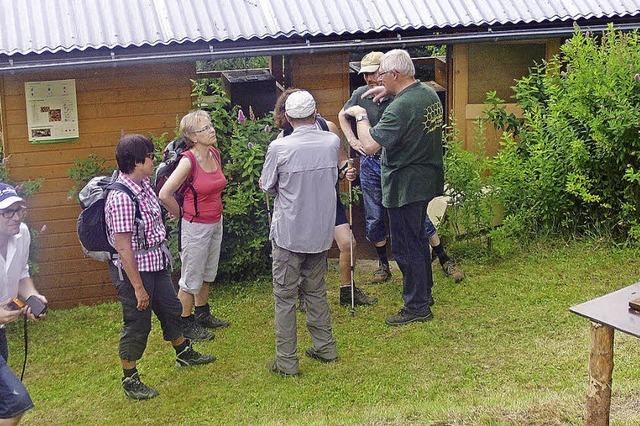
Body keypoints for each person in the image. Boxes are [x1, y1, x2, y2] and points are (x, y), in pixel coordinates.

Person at [339, 51, 464, 284]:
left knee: (411, 223)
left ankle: (441, 259)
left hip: (398, 167)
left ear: (390, 74)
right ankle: (384, 266)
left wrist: (362, 120)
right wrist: (352, 143)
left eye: (376, 73)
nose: (369, 79)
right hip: (374, 165)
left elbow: (373, 144)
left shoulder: (402, 101)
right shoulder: (364, 94)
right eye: (365, 74)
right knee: (376, 216)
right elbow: (342, 115)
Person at [105, 134, 214, 400]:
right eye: (150, 156)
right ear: (136, 162)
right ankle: (130, 379)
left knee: (171, 309)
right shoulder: (121, 197)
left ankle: (183, 353)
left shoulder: (143, 186)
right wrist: (139, 288)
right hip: (135, 272)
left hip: (156, 264)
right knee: (137, 323)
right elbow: (123, 247)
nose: (154, 159)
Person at [260, 90, 339, 376]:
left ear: (289, 117)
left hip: (289, 234)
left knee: (285, 297)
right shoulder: (332, 141)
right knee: (316, 292)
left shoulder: (279, 148)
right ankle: (325, 347)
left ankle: (287, 361)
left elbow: (267, 185)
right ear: (315, 113)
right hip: (320, 232)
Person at [274, 88, 376, 307]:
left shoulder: (328, 129)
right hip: (302, 205)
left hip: (329, 200)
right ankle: (304, 291)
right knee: (302, 249)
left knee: (348, 243)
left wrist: (346, 170)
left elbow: (341, 160)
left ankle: (347, 291)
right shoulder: (283, 138)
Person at [159, 110, 229, 343]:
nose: (212, 130)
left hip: (215, 221)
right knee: (190, 278)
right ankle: (185, 323)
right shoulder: (188, 161)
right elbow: (165, 194)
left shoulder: (215, 154)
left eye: (211, 126)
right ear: (193, 136)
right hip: (195, 227)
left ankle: (203, 313)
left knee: (208, 271)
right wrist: (182, 214)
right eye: (205, 128)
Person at [0, 183, 44, 424]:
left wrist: (32, 296)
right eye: (7, 212)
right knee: (15, 401)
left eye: (19, 210)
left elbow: (21, 275)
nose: (15, 217)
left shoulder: (22, 233)